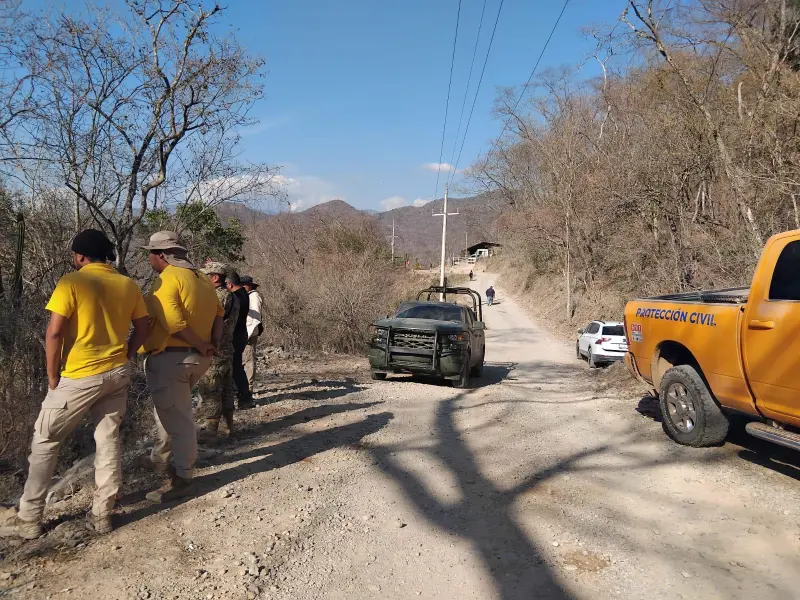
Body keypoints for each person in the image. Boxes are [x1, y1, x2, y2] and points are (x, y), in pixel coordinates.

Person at [1, 229, 149, 539]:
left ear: (80, 256)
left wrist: (53, 376)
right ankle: (102, 514)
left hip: (80, 375)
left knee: (45, 440)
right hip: (117, 373)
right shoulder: (127, 284)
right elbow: (143, 326)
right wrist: (128, 353)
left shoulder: (72, 282)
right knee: (108, 440)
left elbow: (54, 333)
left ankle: (29, 519)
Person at [139, 231, 223, 503]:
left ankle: (183, 478)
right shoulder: (202, 278)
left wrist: (200, 344)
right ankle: (161, 462)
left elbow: (173, 323)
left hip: (173, 358)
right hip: (197, 359)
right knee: (173, 411)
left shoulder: (167, 279)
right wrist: (211, 345)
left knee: (181, 421)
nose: (149, 258)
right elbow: (219, 316)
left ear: (161, 255)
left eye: (150, 252)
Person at [196, 262, 239, 444]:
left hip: (216, 348)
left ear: (215, 277)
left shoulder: (219, 296)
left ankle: (211, 430)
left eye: (206, 275)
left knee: (211, 387)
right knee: (226, 387)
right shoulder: (232, 296)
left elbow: (210, 321)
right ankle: (228, 426)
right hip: (227, 346)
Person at [226, 271, 254, 409]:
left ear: (230, 284)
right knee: (236, 366)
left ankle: (244, 396)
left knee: (235, 367)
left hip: (236, 335)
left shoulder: (236, 297)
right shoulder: (243, 294)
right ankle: (243, 396)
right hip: (240, 334)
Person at [240, 275, 263, 391]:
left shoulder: (254, 296)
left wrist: (249, 333)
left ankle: (249, 387)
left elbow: (255, 317)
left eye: (244, 285)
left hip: (249, 332)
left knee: (249, 359)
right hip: (245, 331)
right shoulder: (247, 296)